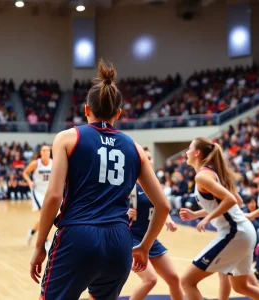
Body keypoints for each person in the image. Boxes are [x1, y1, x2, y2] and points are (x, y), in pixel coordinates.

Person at [29, 60, 170, 300]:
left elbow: (53, 197)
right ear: (118, 113)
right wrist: (144, 248)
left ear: (86, 110)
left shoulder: (67, 138)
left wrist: (39, 245)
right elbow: (163, 206)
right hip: (119, 241)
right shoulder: (135, 148)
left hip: (78, 236)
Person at [179, 137, 259, 300]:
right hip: (244, 232)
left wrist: (207, 218)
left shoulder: (203, 176)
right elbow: (235, 201)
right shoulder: (212, 174)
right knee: (241, 286)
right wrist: (197, 215)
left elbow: (232, 200)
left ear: (197, 153)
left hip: (235, 232)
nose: (187, 152)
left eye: (189, 148)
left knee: (187, 281)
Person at [127, 146, 183, 300]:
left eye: (150, 157)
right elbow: (110, 207)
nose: (148, 160)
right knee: (150, 280)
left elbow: (160, 207)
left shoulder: (155, 184)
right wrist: (124, 213)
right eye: (145, 157)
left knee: (174, 279)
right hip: (132, 239)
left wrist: (169, 220)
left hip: (150, 239)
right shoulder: (128, 183)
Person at [23, 144, 52, 246]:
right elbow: (25, 173)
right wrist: (30, 182)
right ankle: (46, 240)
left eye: (47, 150)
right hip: (38, 192)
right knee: (45, 216)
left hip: (48, 192)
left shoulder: (54, 163)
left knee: (46, 218)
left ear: (50, 152)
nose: (45, 152)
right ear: (40, 152)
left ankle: (31, 232)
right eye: (43, 150)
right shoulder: (36, 163)